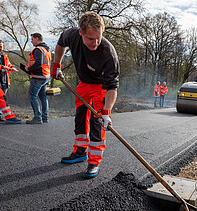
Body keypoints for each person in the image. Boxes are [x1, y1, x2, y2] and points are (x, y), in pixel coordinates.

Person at [50, 11, 120, 179]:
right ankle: (80, 150)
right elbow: (60, 43)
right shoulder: (71, 35)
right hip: (83, 84)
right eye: (90, 39)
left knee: (97, 122)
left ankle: (94, 161)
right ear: (80, 32)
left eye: (99, 38)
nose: (95, 43)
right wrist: (56, 65)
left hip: (101, 86)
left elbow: (112, 88)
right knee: (80, 117)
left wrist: (106, 113)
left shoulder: (108, 53)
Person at [23, 33, 51, 124]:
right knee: (43, 97)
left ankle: (37, 117)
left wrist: (28, 68)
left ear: (37, 38)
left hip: (38, 77)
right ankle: (45, 117)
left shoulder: (38, 50)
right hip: (46, 76)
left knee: (32, 96)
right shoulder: (46, 49)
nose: (31, 41)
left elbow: (38, 63)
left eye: (32, 39)